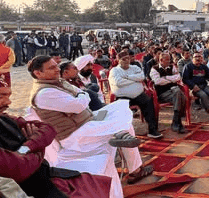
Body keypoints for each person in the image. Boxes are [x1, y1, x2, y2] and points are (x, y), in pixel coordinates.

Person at [27, 55, 153, 198]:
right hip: (75, 135)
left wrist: (81, 95)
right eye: (52, 67)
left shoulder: (56, 82)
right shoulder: (45, 93)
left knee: (121, 110)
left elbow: (80, 97)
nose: (57, 69)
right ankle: (133, 165)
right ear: (38, 73)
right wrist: (81, 95)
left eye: (56, 65)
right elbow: (80, 104)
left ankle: (125, 150)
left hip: (86, 122)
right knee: (123, 123)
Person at [0, 76, 112, 198]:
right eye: (1, 97)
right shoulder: (43, 93)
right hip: (31, 189)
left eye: (8, 96)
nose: (8, 102)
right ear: (39, 73)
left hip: (47, 176)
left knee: (96, 184)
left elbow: (48, 128)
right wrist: (38, 147)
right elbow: (21, 169)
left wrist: (27, 147)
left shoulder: (5, 117)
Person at [108, 50, 162, 139]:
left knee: (149, 102)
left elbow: (141, 77)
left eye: (128, 58)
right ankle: (123, 133)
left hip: (138, 95)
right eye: (123, 59)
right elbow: (118, 82)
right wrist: (135, 80)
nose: (126, 61)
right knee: (121, 110)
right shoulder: (115, 70)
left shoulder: (135, 68)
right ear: (118, 60)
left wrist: (127, 77)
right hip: (122, 97)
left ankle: (152, 130)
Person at [149, 53, 187, 133]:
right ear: (161, 60)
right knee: (180, 95)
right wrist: (172, 79)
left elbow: (179, 77)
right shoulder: (154, 69)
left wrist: (165, 78)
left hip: (174, 92)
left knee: (178, 93)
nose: (169, 61)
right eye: (167, 59)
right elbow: (158, 81)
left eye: (169, 59)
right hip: (162, 93)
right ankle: (177, 122)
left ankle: (176, 122)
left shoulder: (172, 67)